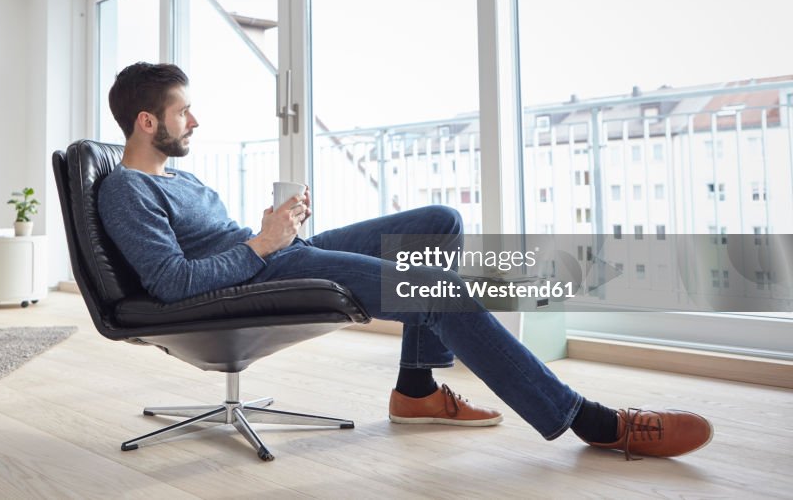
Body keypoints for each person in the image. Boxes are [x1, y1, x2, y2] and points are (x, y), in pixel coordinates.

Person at [98, 62, 714, 460]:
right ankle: (586, 420)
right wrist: (263, 244)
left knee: (438, 223)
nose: (195, 120)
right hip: (260, 272)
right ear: (147, 121)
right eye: (183, 111)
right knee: (437, 289)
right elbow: (172, 283)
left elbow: (227, 242)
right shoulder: (127, 189)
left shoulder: (180, 178)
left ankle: (416, 388)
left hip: (275, 254)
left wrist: (282, 227)